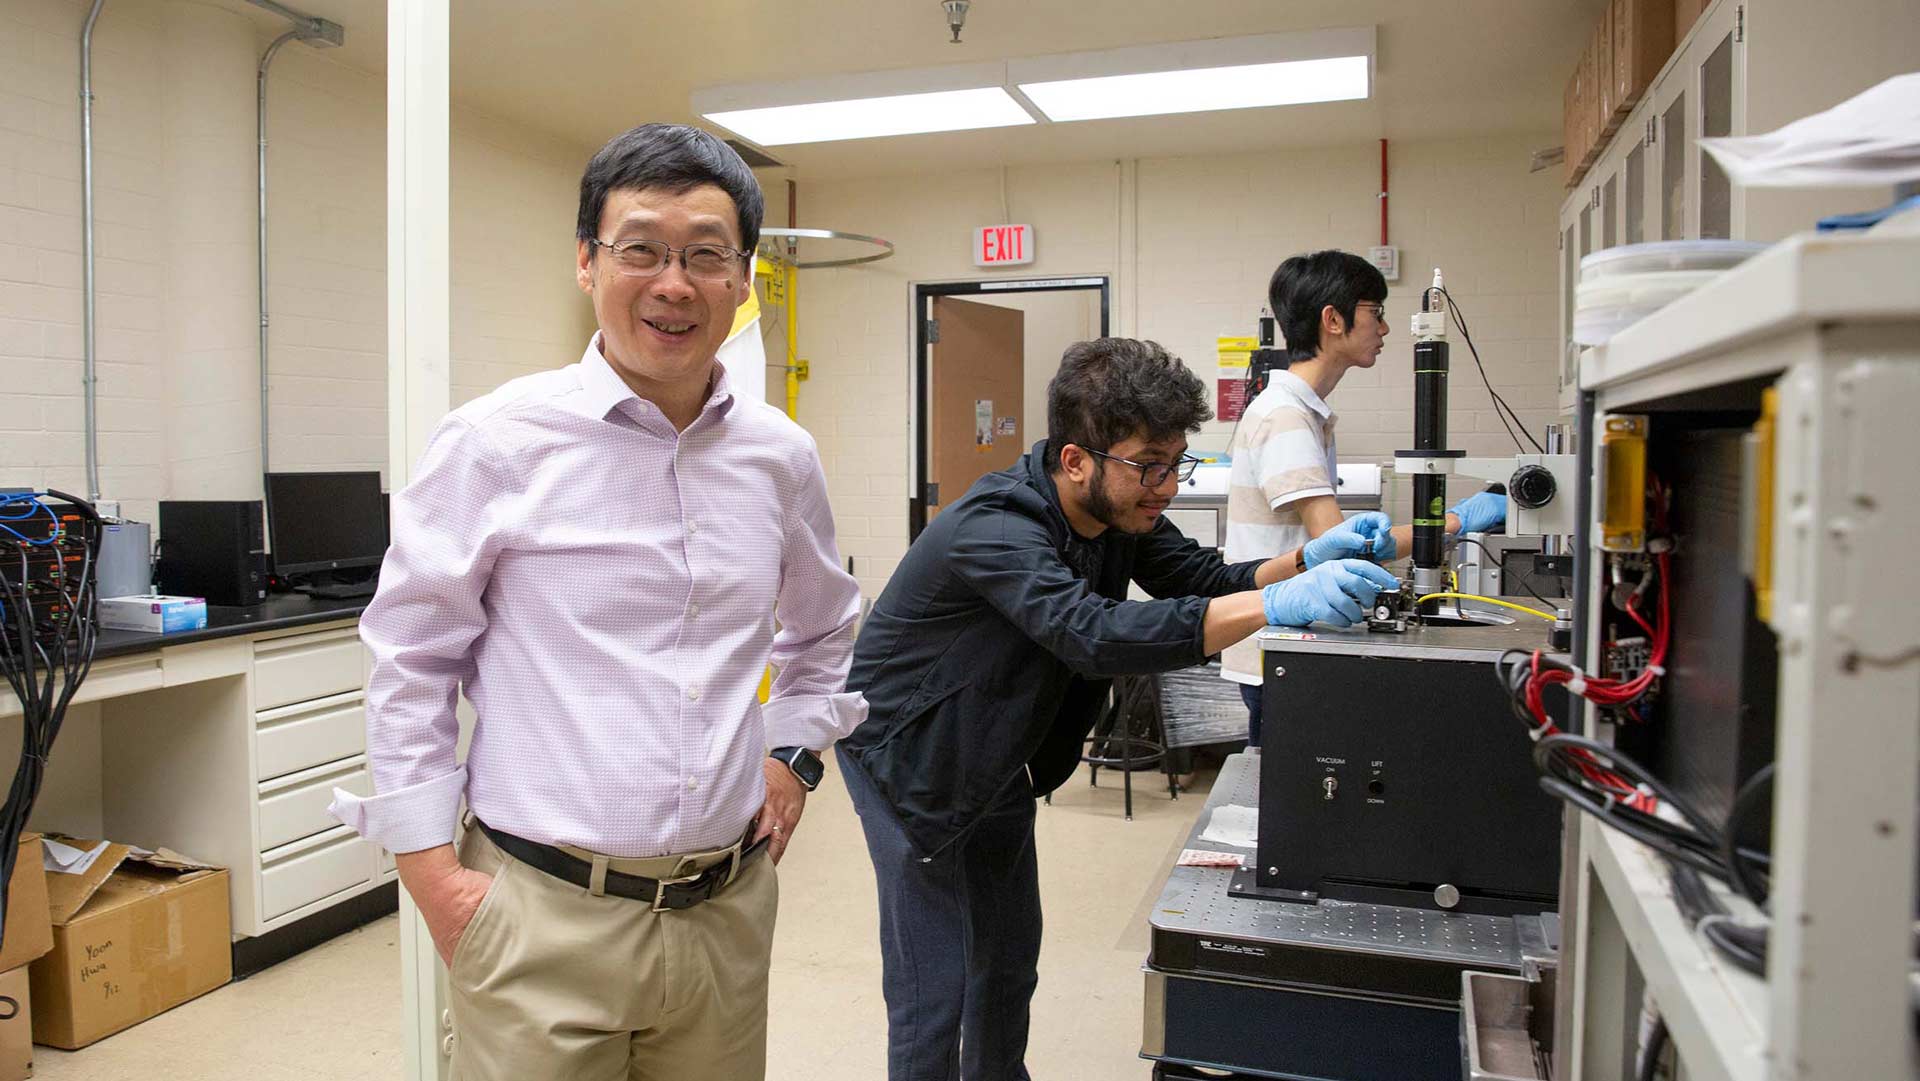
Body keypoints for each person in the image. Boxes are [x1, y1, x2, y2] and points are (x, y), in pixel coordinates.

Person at [329, 124, 865, 1081]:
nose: (674, 283)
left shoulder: (780, 458)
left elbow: (825, 625)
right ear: (587, 262)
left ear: (744, 281)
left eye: (707, 254)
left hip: (725, 916)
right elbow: (410, 659)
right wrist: (433, 877)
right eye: (641, 249)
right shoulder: (495, 443)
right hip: (538, 915)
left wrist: (792, 758)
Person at [837, 337, 1399, 1081]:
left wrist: (1303, 561)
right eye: (1148, 467)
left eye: (1174, 464)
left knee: (1006, 967)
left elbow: (1199, 573)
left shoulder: (1119, 513)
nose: (1164, 486)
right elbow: (1091, 633)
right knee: (933, 995)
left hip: (996, 751)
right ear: (1076, 460)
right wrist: (1271, 604)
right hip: (910, 760)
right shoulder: (999, 523)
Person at [1222, 250, 1506, 744]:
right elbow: (1340, 550)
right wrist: (1456, 522)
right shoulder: (1284, 417)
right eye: (1375, 313)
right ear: (1333, 320)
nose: (1386, 329)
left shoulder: (1304, 412)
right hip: (1280, 644)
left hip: (1291, 637)